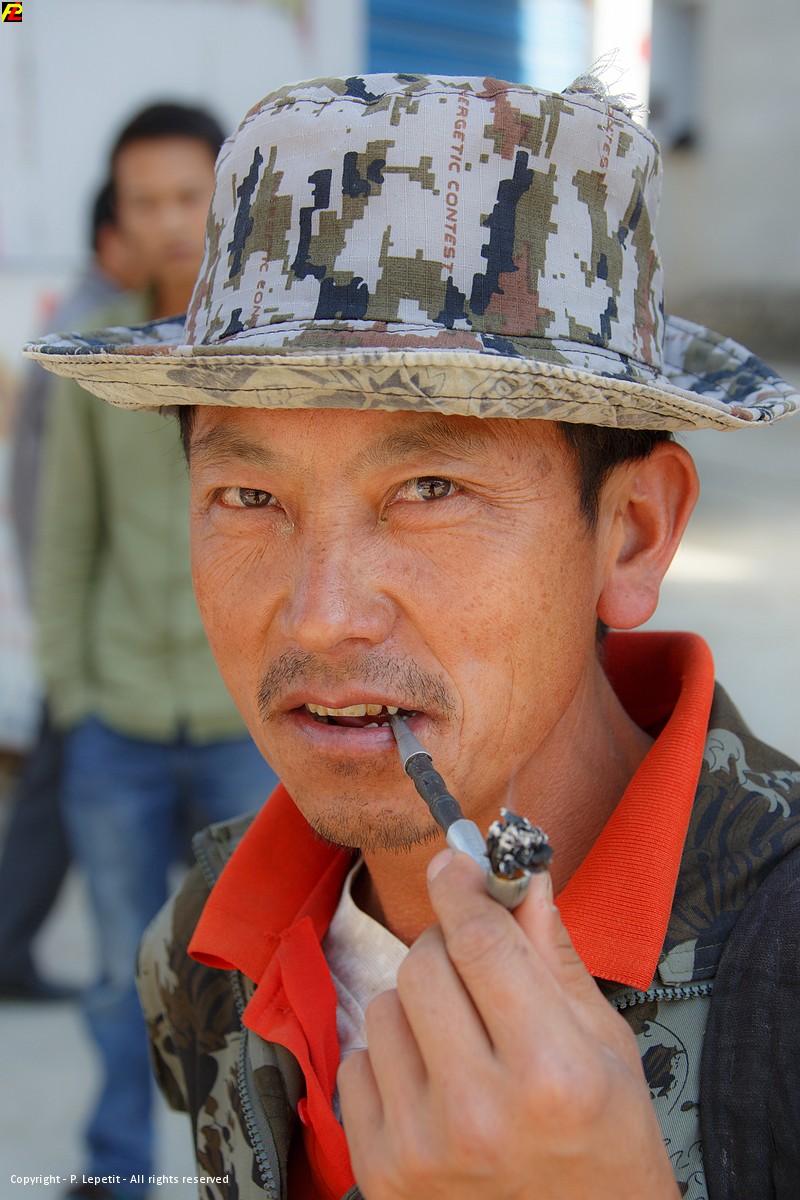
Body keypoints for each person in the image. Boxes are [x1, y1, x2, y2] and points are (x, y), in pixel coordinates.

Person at [27, 73, 800, 1200]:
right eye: (249, 497)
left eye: (430, 489)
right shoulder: (203, 949)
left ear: (631, 533)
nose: (321, 613)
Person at [31, 102, 279, 1200]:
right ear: (118, 217)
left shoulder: (280, 347)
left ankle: (274, 1172)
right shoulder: (93, 356)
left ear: (231, 203)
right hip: (118, 721)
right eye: (147, 201)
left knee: (268, 970)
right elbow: (63, 537)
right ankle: (117, 1172)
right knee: (115, 975)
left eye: (192, 195)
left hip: (246, 721)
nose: (172, 220)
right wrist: (73, 694)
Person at [0, 180, 148, 1005]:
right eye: (145, 211)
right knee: (58, 801)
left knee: (55, 801)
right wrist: (64, 654)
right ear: (110, 238)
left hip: (100, 638)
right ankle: (7, 947)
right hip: (96, 638)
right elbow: (47, 505)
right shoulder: (93, 336)